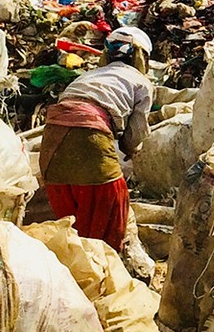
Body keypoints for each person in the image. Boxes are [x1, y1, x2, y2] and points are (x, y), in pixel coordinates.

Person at [38, 28, 154, 250]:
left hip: (51, 145)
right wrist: (128, 153)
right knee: (110, 221)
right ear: (143, 57)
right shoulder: (141, 83)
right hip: (91, 140)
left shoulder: (87, 76)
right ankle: (101, 278)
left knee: (71, 227)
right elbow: (135, 135)